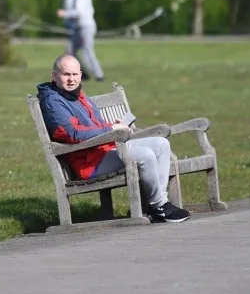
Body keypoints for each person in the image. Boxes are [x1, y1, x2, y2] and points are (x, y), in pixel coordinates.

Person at [37, 55, 191, 223]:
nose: (72, 79)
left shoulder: (77, 95)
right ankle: (159, 205)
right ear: (54, 76)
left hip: (105, 149)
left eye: (75, 74)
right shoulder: (53, 101)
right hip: (88, 162)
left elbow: (94, 125)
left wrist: (114, 125)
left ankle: (158, 205)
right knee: (145, 154)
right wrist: (110, 129)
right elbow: (73, 133)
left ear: (81, 74)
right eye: (66, 74)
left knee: (161, 144)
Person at [57, 0, 105, 82]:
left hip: (86, 26)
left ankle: (99, 75)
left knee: (87, 51)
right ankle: (83, 73)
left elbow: (79, 11)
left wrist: (65, 13)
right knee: (70, 51)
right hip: (76, 27)